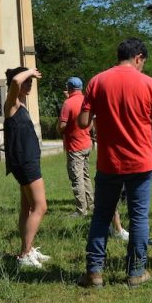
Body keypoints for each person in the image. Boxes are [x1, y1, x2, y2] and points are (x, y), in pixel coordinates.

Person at [76, 38, 152, 288]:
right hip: (141, 161)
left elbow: (83, 122)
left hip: (109, 162)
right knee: (138, 218)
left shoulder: (97, 81)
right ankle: (136, 272)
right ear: (138, 57)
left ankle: (94, 273)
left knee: (101, 216)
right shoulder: (149, 84)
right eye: (143, 62)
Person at [3, 67, 50, 268]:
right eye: (27, 81)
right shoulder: (11, 103)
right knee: (41, 207)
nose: (30, 84)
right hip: (25, 162)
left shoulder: (20, 104)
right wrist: (29, 70)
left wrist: (28, 74)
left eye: (31, 81)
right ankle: (24, 255)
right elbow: (14, 82)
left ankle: (27, 249)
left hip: (25, 160)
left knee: (27, 207)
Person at [57, 77, 94, 217]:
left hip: (75, 146)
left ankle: (80, 210)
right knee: (86, 176)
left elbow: (62, 126)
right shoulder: (85, 100)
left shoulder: (68, 103)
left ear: (69, 87)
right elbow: (90, 123)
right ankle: (91, 204)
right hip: (86, 143)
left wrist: (59, 128)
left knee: (76, 178)